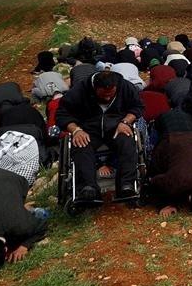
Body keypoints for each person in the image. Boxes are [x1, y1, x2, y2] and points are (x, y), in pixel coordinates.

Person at [55, 69, 144, 202]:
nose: (107, 98)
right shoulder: (79, 90)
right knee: (81, 145)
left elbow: (137, 107)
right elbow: (62, 114)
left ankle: (127, 184)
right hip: (88, 129)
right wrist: (76, 130)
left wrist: (126, 121)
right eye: (104, 95)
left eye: (111, 95)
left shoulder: (125, 86)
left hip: (116, 126)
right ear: (95, 88)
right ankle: (87, 187)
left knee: (127, 141)